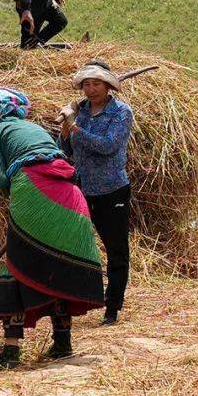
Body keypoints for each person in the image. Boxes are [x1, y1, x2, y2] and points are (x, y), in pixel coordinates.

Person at [0, 87, 104, 368]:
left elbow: (2, 181)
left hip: (33, 188)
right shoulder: (33, 127)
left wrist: (26, 204)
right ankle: (62, 345)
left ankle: (10, 353)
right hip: (71, 195)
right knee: (57, 265)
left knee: (19, 264)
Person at [59, 61, 134, 325]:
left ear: (108, 86)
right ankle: (78, 301)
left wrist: (76, 128)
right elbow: (66, 149)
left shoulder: (121, 112)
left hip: (111, 189)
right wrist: (66, 129)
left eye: (96, 84)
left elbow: (108, 146)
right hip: (81, 188)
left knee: (116, 250)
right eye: (86, 85)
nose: (90, 90)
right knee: (76, 246)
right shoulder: (80, 112)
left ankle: (112, 308)